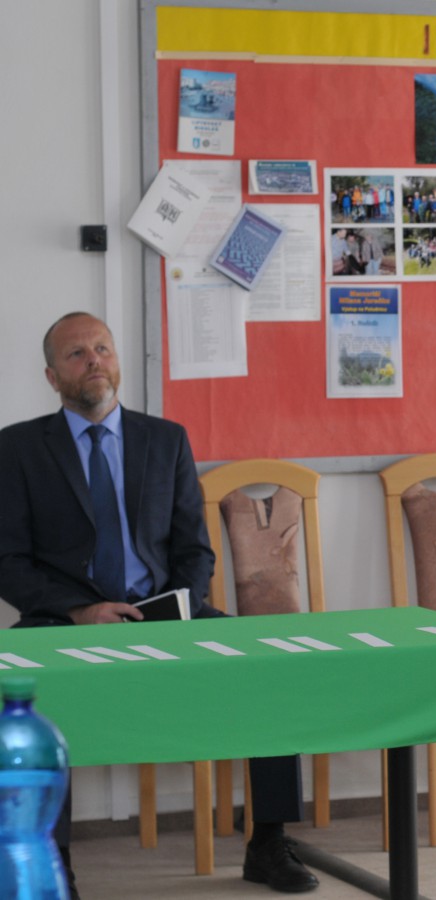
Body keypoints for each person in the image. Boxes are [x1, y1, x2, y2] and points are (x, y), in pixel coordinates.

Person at [0, 313, 320, 895]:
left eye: (103, 348)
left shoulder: (165, 438)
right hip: (63, 618)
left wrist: (176, 610)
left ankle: (268, 842)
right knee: (23, 693)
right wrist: (81, 612)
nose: (94, 361)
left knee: (270, 664)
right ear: (52, 376)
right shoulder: (18, 448)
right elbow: (9, 561)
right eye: (76, 354)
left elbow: (194, 550)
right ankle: (54, 861)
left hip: (164, 612)